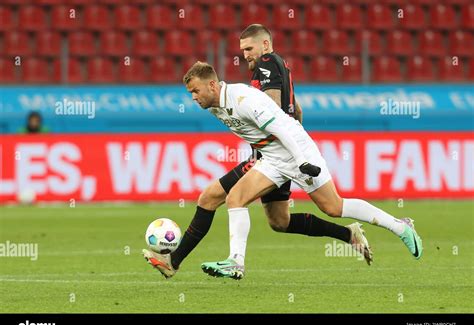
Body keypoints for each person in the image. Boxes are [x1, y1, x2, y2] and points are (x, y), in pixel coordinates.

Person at [143, 25, 373, 279]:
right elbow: (295, 110)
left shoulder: (266, 64)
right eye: (242, 50)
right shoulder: (279, 66)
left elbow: (272, 108)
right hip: (273, 151)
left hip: (272, 155)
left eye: (248, 49)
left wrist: (287, 143)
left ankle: (181, 262)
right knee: (279, 221)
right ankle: (348, 234)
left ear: (264, 45)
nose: (245, 55)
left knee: (212, 197)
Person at [170, 61, 422, 280]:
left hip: (296, 150)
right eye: (191, 92)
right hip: (272, 157)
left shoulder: (243, 100)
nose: (193, 97)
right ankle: (235, 262)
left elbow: (282, 130)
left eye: (195, 91)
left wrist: (301, 161)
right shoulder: (214, 104)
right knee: (236, 197)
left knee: (334, 207)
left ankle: (400, 227)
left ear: (212, 85)